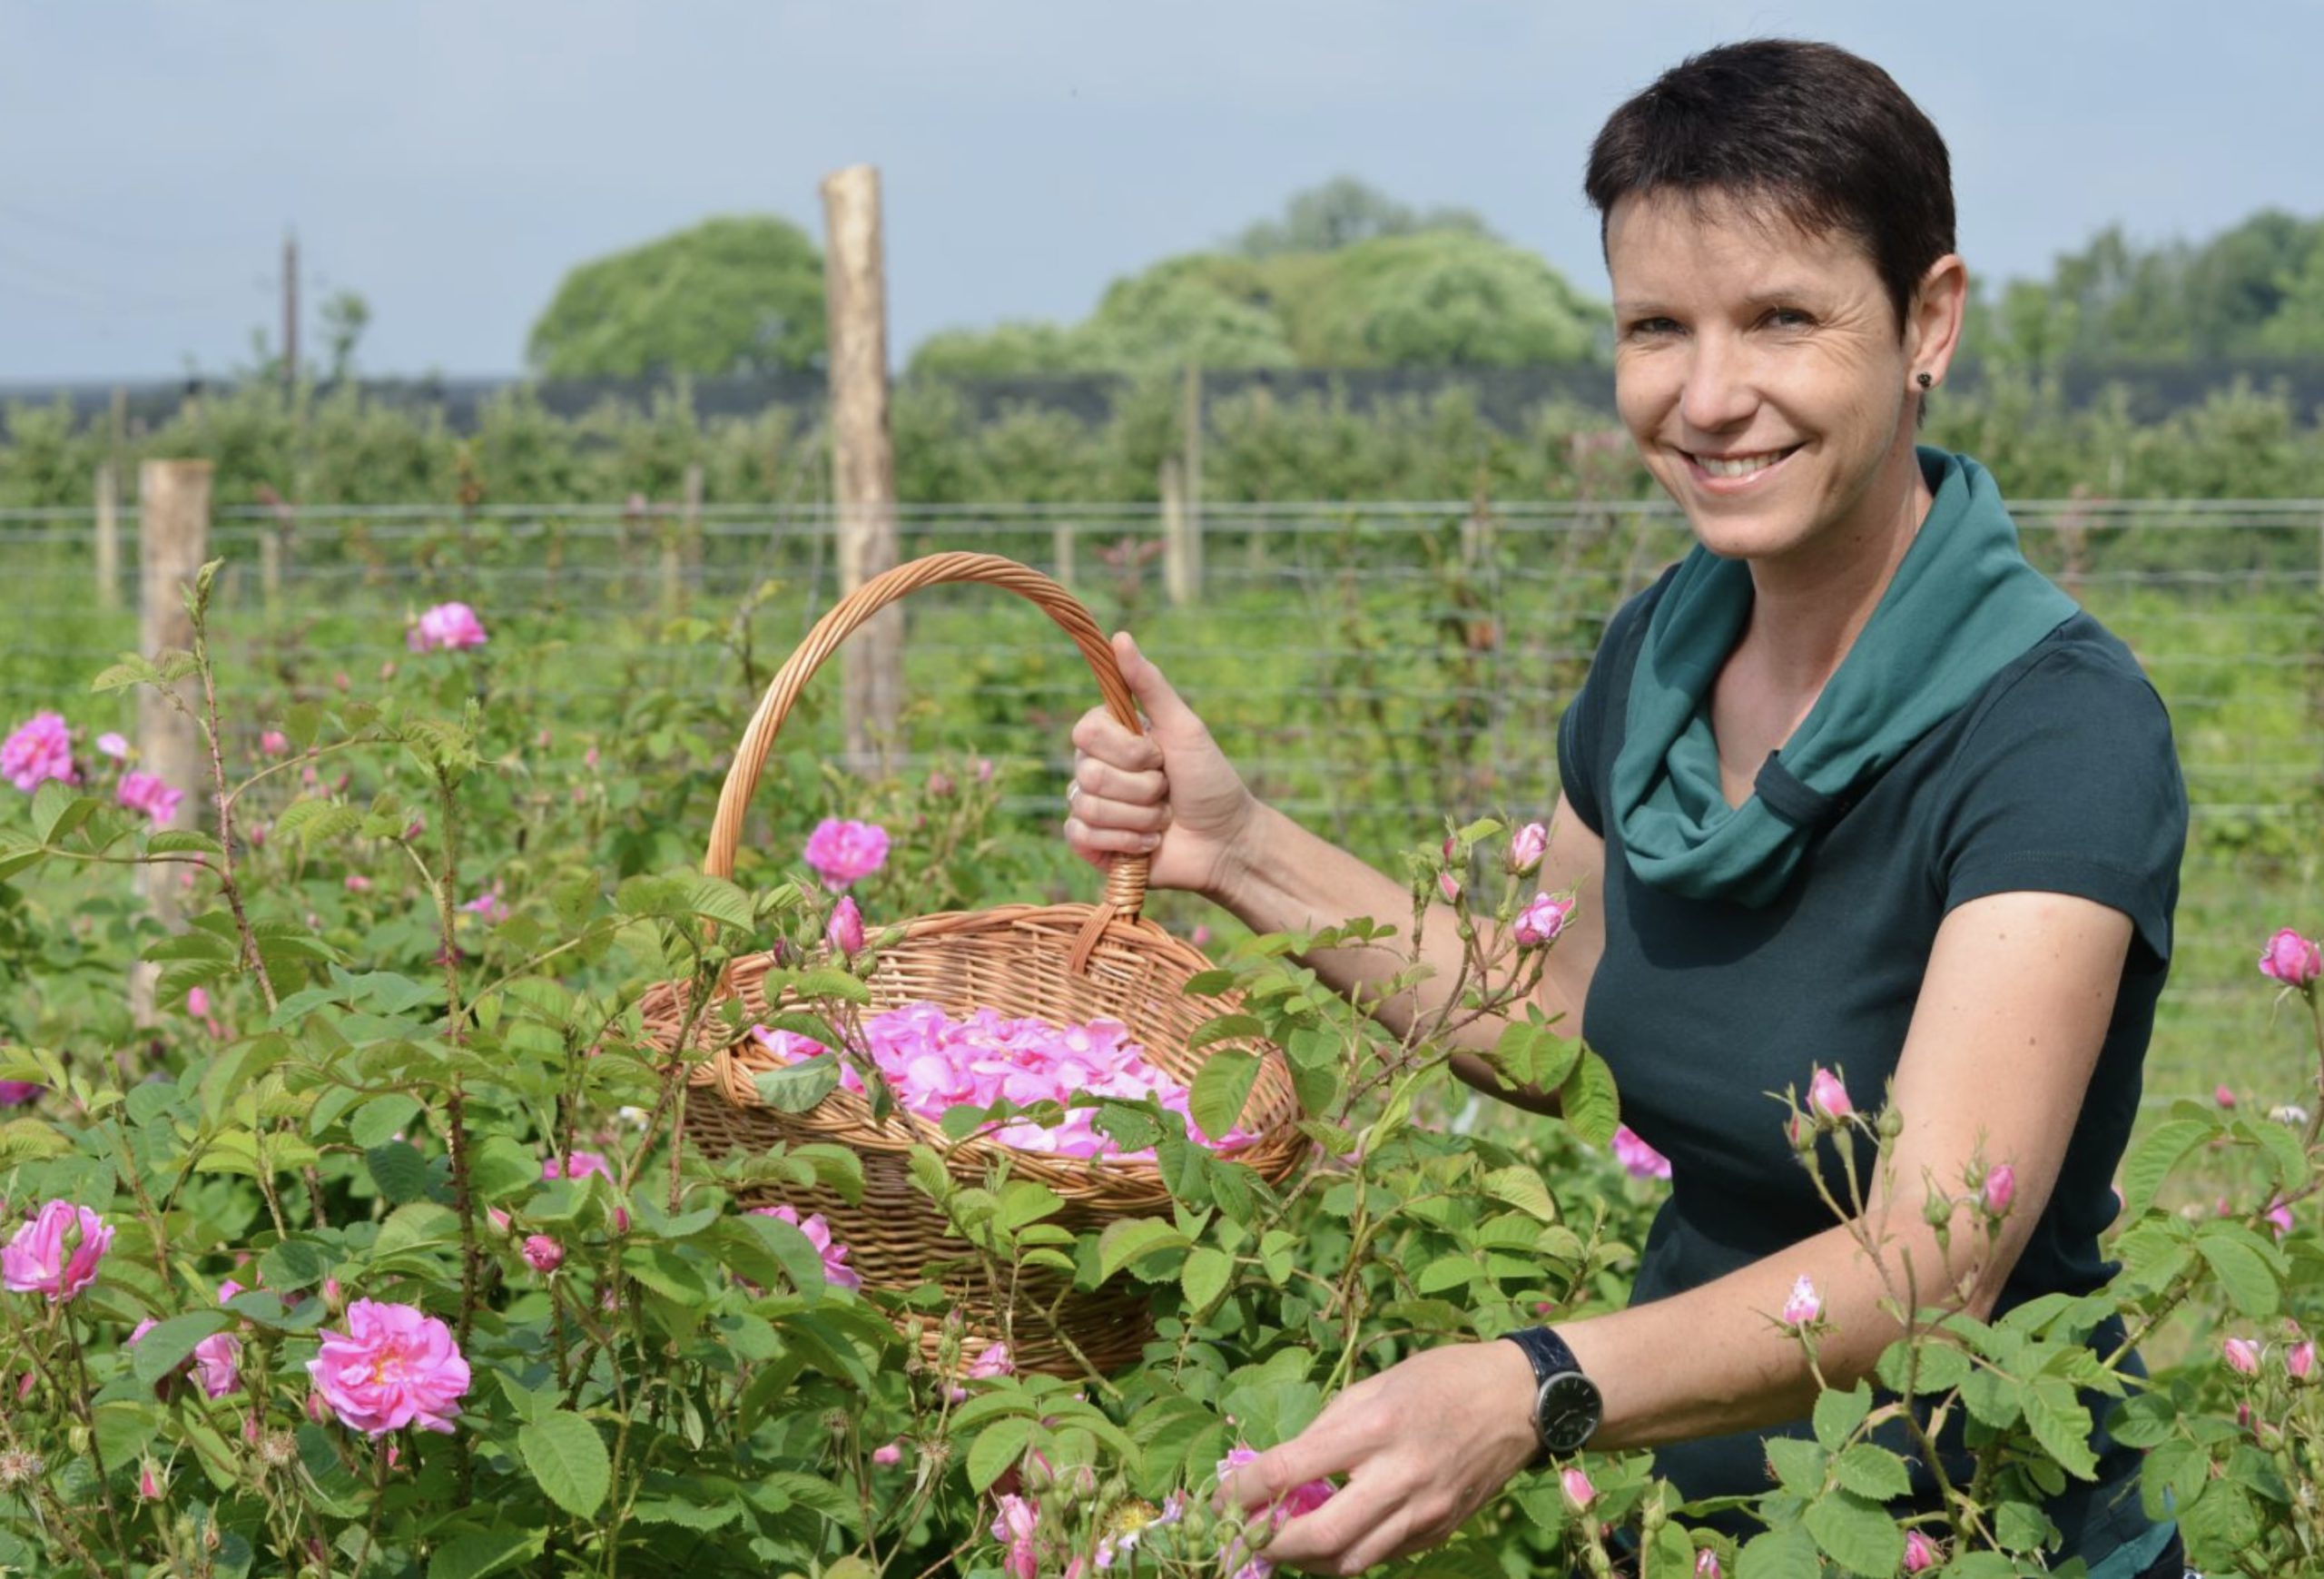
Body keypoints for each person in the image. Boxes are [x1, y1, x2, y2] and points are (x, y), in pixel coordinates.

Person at [1062, 37, 2191, 1579]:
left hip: (1989, 1539)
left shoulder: (2054, 729)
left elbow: (1933, 1255)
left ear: (1930, 319)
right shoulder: (1658, 657)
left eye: (1782, 318)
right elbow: (1559, 1012)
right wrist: (1237, 848)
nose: (1709, 397)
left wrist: (1536, 1384)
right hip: (1718, 1532)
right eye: (1657, 327)